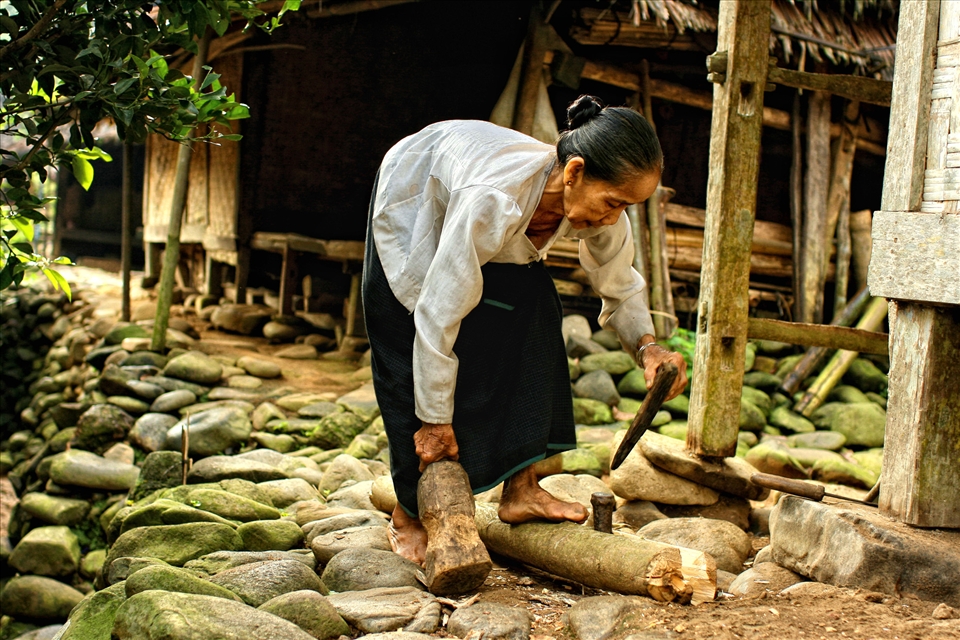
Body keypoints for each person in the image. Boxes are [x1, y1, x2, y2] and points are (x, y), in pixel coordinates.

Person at [362, 95, 689, 565]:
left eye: (627, 207)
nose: (614, 217)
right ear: (574, 172)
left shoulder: (599, 206)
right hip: (415, 196)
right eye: (614, 202)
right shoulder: (493, 200)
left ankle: (522, 489)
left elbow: (620, 283)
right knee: (404, 343)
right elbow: (437, 313)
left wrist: (648, 348)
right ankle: (408, 514)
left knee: (536, 309)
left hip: (487, 220)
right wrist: (435, 421)